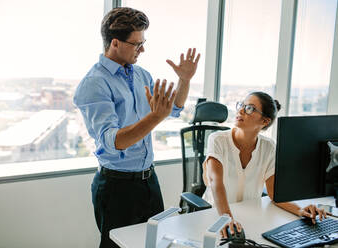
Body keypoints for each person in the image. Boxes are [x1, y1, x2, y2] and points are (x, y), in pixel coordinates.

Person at [73, 7, 200, 248]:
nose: (142, 49)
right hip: (116, 188)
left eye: (143, 42)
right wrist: (155, 117)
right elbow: (114, 140)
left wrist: (184, 80)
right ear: (115, 43)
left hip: (149, 181)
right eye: (137, 44)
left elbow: (173, 108)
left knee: (155, 244)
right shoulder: (94, 84)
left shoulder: (142, 75)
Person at [202, 91, 327, 238]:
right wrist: (226, 218)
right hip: (215, 215)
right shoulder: (217, 140)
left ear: (265, 121)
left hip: (251, 216)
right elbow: (216, 182)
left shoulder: (268, 147)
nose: (241, 110)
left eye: (250, 108)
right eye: (242, 105)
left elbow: (274, 192)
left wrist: (300, 210)